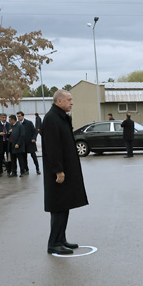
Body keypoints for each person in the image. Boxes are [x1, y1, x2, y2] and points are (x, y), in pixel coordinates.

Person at [42, 90, 89, 255]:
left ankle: (61, 239)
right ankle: (53, 243)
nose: (72, 102)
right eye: (69, 100)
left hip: (66, 169)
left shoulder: (62, 117)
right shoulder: (51, 119)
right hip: (57, 173)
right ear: (59, 101)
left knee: (64, 205)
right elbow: (52, 147)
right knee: (58, 207)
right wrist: (58, 170)